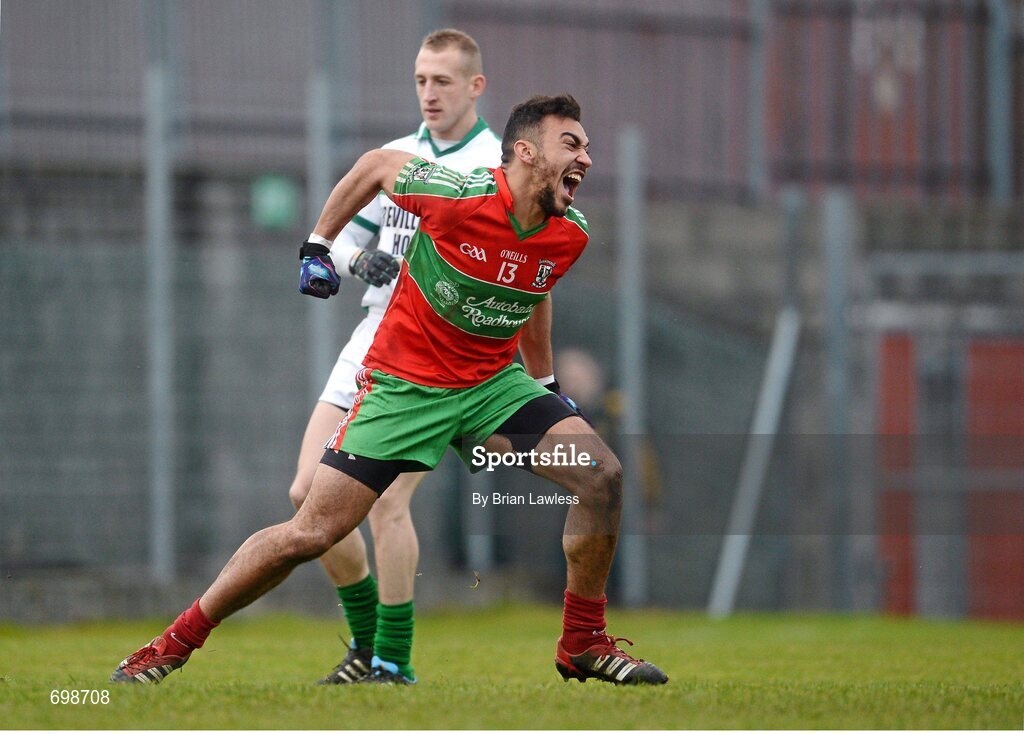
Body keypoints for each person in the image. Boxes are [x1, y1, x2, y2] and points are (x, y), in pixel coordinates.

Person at [110, 94, 668, 687]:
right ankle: (173, 643)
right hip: (406, 388)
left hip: (491, 387)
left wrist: (547, 383)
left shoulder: (569, 233)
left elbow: (533, 290)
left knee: (599, 475)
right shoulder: (458, 194)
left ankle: (581, 642)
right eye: (572, 144)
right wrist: (318, 246)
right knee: (312, 530)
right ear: (526, 153)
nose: (587, 158)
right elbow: (376, 165)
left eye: (588, 147)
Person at [288, 28, 502, 686]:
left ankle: (393, 660)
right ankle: (364, 642)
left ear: (475, 87)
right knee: (306, 500)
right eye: (420, 80)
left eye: (442, 81)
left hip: (440, 355)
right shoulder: (396, 157)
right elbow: (345, 242)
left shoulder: (495, 165)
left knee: (384, 504)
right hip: (373, 336)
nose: (429, 93)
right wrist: (358, 259)